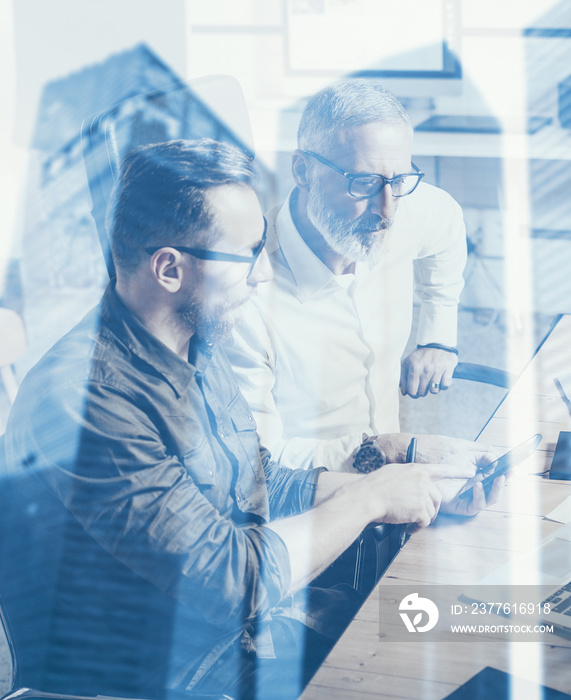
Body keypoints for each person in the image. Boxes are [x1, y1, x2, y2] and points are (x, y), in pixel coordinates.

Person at [4, 139, 500, 700]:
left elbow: (257, 482)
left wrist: (415, 485)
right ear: (170, 268)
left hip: (238, 635)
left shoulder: (190, 341)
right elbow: (234, 580)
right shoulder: (88, 400)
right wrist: (370, 499)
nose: (264, 274)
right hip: (161, 678)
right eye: (249, 254)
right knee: (437, 669)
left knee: (468, 632)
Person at [226, 79, 469, 472]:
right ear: (303, 171)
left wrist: (439, 336)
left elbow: (447, 223)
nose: (387, 209)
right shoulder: (243, 295)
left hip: (395, 477)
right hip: (310, 502)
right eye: (364, 183)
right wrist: (388, 451)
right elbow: (258, 459)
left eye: (398, 180)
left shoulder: (400, 205)